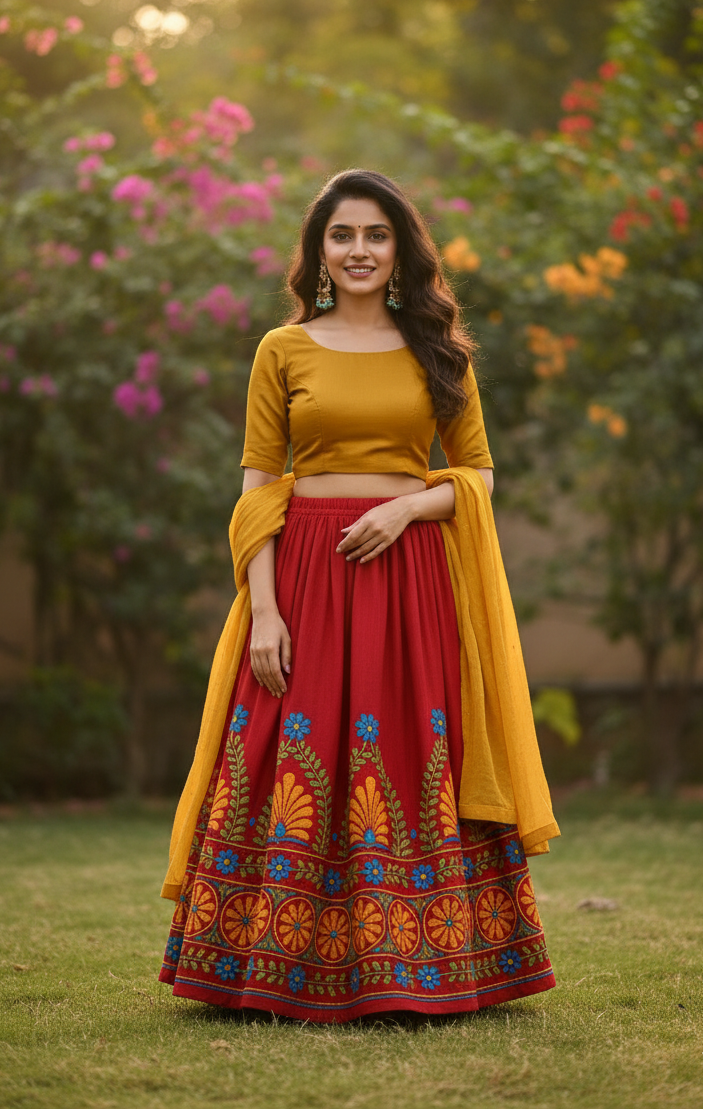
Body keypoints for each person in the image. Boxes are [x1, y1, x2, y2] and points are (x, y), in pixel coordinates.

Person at [158, 169, 559, 1021]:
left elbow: (478, 475)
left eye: (376, 235)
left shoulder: (438, 350)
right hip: (303, 572)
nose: (359, 251)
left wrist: (411, 504)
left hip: (410, 577)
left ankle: (423, 964)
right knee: (285, 742)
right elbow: (258, 486)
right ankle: (262, 965)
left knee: (407, 747)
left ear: (401, 250)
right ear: (317, 254)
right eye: (341, 236)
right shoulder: (283, 349)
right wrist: (265, 610)